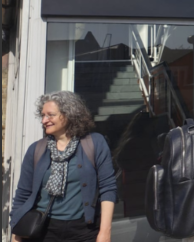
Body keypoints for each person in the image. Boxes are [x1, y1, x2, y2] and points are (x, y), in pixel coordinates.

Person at [11, 91, 117, 242]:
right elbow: (23, 193)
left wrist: (105, 232)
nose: (44, 120)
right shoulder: (36, 150)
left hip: (84, 230)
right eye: (42, 115)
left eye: (50, 115)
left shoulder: (94, 143)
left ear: (69, 114)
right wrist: (16, 232)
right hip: (43, 230)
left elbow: (108, 188)